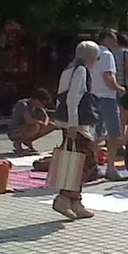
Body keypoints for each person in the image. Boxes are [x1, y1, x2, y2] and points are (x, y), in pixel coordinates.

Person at [52, 41, 101, 220]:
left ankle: (75, 201)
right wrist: (73, 124)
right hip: (77, 124)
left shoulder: (69, 69)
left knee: (75, 163)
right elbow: (73, 98)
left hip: (70, 122)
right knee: (86, 164)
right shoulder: (81, 70)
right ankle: (65, 198)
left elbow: (61, 97)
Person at [93, 29, 128, 182]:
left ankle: (93, 167)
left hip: (92, 97)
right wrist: (119, 88)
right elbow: (108, 77)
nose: (115, 41)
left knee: (94, 134)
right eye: (113, 38)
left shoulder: (90, 53)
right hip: (107, 97)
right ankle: (111, 168)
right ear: (105, 39)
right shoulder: (107, 55)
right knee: (113, 135)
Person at [7, 89, 55, 154]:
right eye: (42, 103)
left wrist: (45, 124)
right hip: (14, 131)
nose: (43, 106)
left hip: (26, 128)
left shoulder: (37, 106)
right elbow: (29, 120)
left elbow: (46, 117)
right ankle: (18, 143)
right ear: (36, 100)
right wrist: (40, 122)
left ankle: (28, 141)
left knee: (51, 125)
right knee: (35, 126)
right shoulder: (23, 104)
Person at [114, 33, 128, 130]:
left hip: (113, 85)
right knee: (123, 119)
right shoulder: (126, 52)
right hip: (124, 85)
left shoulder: (110, 52)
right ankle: (121, 140)